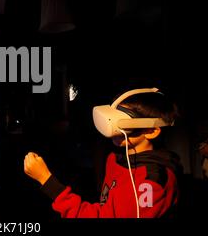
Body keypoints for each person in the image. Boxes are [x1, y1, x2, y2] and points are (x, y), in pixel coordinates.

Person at [24, 88, 182, 218]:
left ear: (151, 131)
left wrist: (47, 181)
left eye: (122, 120)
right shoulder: (117, 157)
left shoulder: (150, 183)